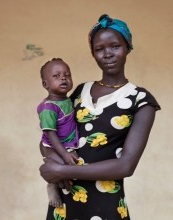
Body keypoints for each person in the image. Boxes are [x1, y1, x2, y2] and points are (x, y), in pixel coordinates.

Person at [39, 14, 161, 219]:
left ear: (127, 47)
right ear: (93, 54)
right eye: (99, 49)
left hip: (107, 204)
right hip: (66, 201)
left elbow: (126, 165)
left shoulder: (141, 100)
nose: (107, 54)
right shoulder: (79, 92)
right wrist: (51, 159)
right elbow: (49, 137)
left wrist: (62, 171)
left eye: (115, 46)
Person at [37, 58, 79, 208]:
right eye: (56, 76)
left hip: (66, 144)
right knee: (63, 168)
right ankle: (52, 186)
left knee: (72, 170)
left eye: (67, 75)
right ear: (45, 84)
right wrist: (64, 153)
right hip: (52, 146)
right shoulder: (48, 107)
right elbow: (50, 133)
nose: (63, 78)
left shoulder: (67, 100)